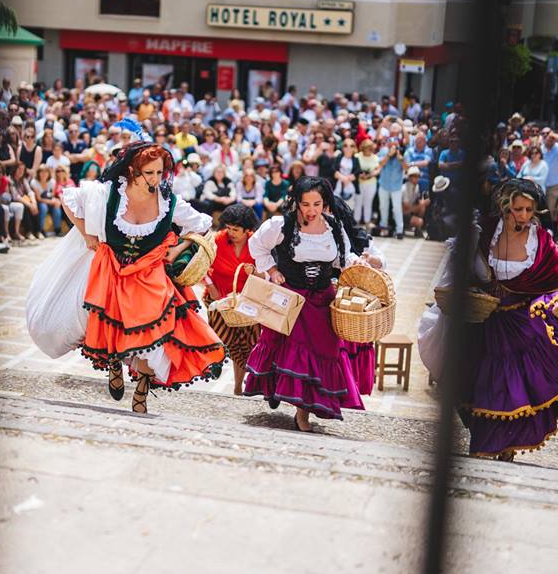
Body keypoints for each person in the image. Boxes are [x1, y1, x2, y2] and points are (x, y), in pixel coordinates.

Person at [418, 179, 558, 461]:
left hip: (521, 322)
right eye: (519, 209)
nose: (526, 216)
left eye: (530, 210)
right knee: (479, 385)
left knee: (516, 386)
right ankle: (485, 443)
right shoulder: (486, 232)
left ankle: (506, 445)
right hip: (484, 320)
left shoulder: (540, 241)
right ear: (506, 207)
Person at [41, 136, 225, 414]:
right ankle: (114, 365)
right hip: (112, 269)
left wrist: (176, 252)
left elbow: (203, 225)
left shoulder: (169, 202)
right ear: (132, 171)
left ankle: (141, 391)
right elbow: (69, 199)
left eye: (159, 172)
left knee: (154, 332)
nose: (154, 179)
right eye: (148, 172)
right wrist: (86, 234)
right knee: (113, 329)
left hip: (150, 273)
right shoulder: (108, 194)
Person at [243, 177, 374, 431]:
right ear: (297, 203)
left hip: (323, 300)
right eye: (306, 204)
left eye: (317, 204)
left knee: (324, 352)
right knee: (289, 351)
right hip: (292, 299)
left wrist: (359, 262)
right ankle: (290, 403)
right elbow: (256, 244)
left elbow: (345, 257)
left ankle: (303, 411)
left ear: (325, 203)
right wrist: (271, 270)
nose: (311, 210)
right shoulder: (281, 225)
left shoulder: (334, 226)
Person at [202, 204, 260, 395]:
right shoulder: (218, 240)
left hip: (246, 301)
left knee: (245, 346)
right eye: (229, 228)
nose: (231, 232)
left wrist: (255, 272)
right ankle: (217, 358)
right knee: (224, 339)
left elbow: (265, 273)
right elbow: (201, 263)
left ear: (247, 230)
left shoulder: (256, 243)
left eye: (236, 229)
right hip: (219, 299)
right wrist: (210, 286)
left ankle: (238, 386)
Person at [354, 139, 380, 226]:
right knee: (358, 203)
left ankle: (367, 224)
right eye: (367, 148)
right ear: (363, 148)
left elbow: (377, 170)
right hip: (359, 183)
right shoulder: (357, 156)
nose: (369, 150)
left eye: (370, 148)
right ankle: (356, 223)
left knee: (368, 204)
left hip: (371, 183)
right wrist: (359, 175)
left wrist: (369, 176)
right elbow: (354, 168)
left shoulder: (375, 157)